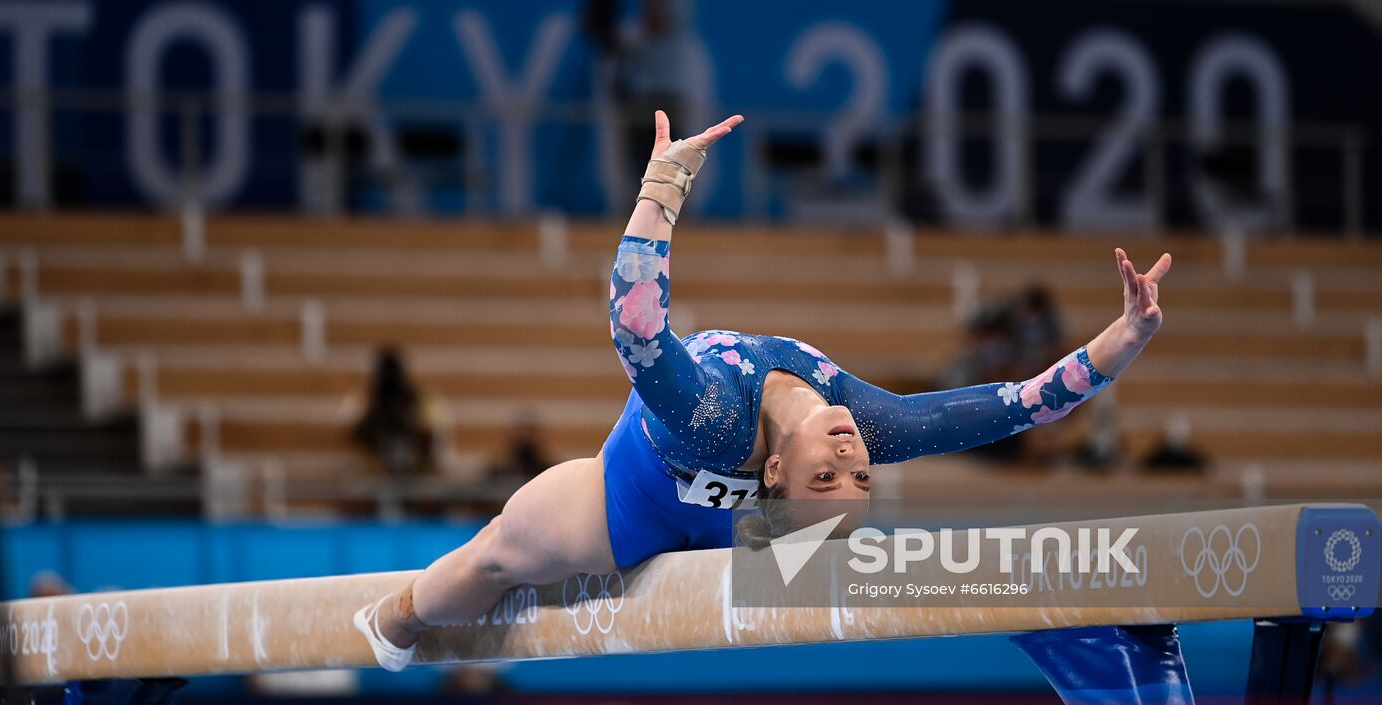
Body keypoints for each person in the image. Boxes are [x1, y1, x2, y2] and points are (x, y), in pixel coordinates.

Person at [354, 110, 1174, 670]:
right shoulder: (869, 421)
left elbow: (637, 334)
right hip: (647, 498)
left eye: (832, 475)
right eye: (855, 479)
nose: (854, 461)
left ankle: (405, 611)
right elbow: (1020, 405)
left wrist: (660, 191)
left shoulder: (717, 421)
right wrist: (1126, 338)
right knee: (495, 556)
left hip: (627, 510)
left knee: (503, 551)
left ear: (775, 477)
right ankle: (400, 621)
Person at [350, 346, 436, 479]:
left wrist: (413, 425)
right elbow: (352, 435)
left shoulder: (421, 399)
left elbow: (434, 437)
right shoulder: (363, 399)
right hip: (373, 471)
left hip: (416, 471)